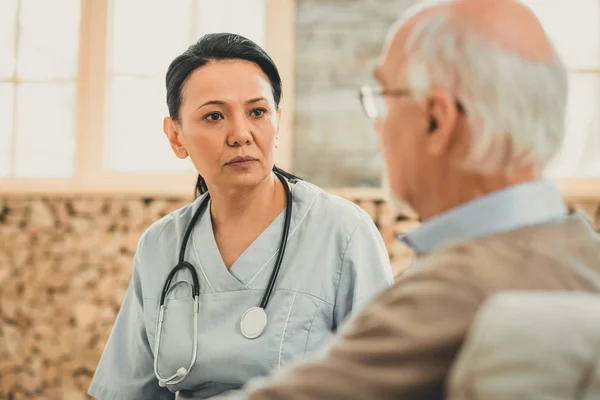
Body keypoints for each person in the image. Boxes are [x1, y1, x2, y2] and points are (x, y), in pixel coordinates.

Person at [207, 0, 600, 399]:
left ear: (437, 121)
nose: (378, 123)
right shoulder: (584, 253)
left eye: (385, 97)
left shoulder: (452, 293)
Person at [87, 33, 394, 400]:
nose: (241, 135)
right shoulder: (160, 246)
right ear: (176, 136)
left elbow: (387, 383)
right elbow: (126, 391)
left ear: (278, 122)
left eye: (257, 112)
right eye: (214, 116)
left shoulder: (343, 233)